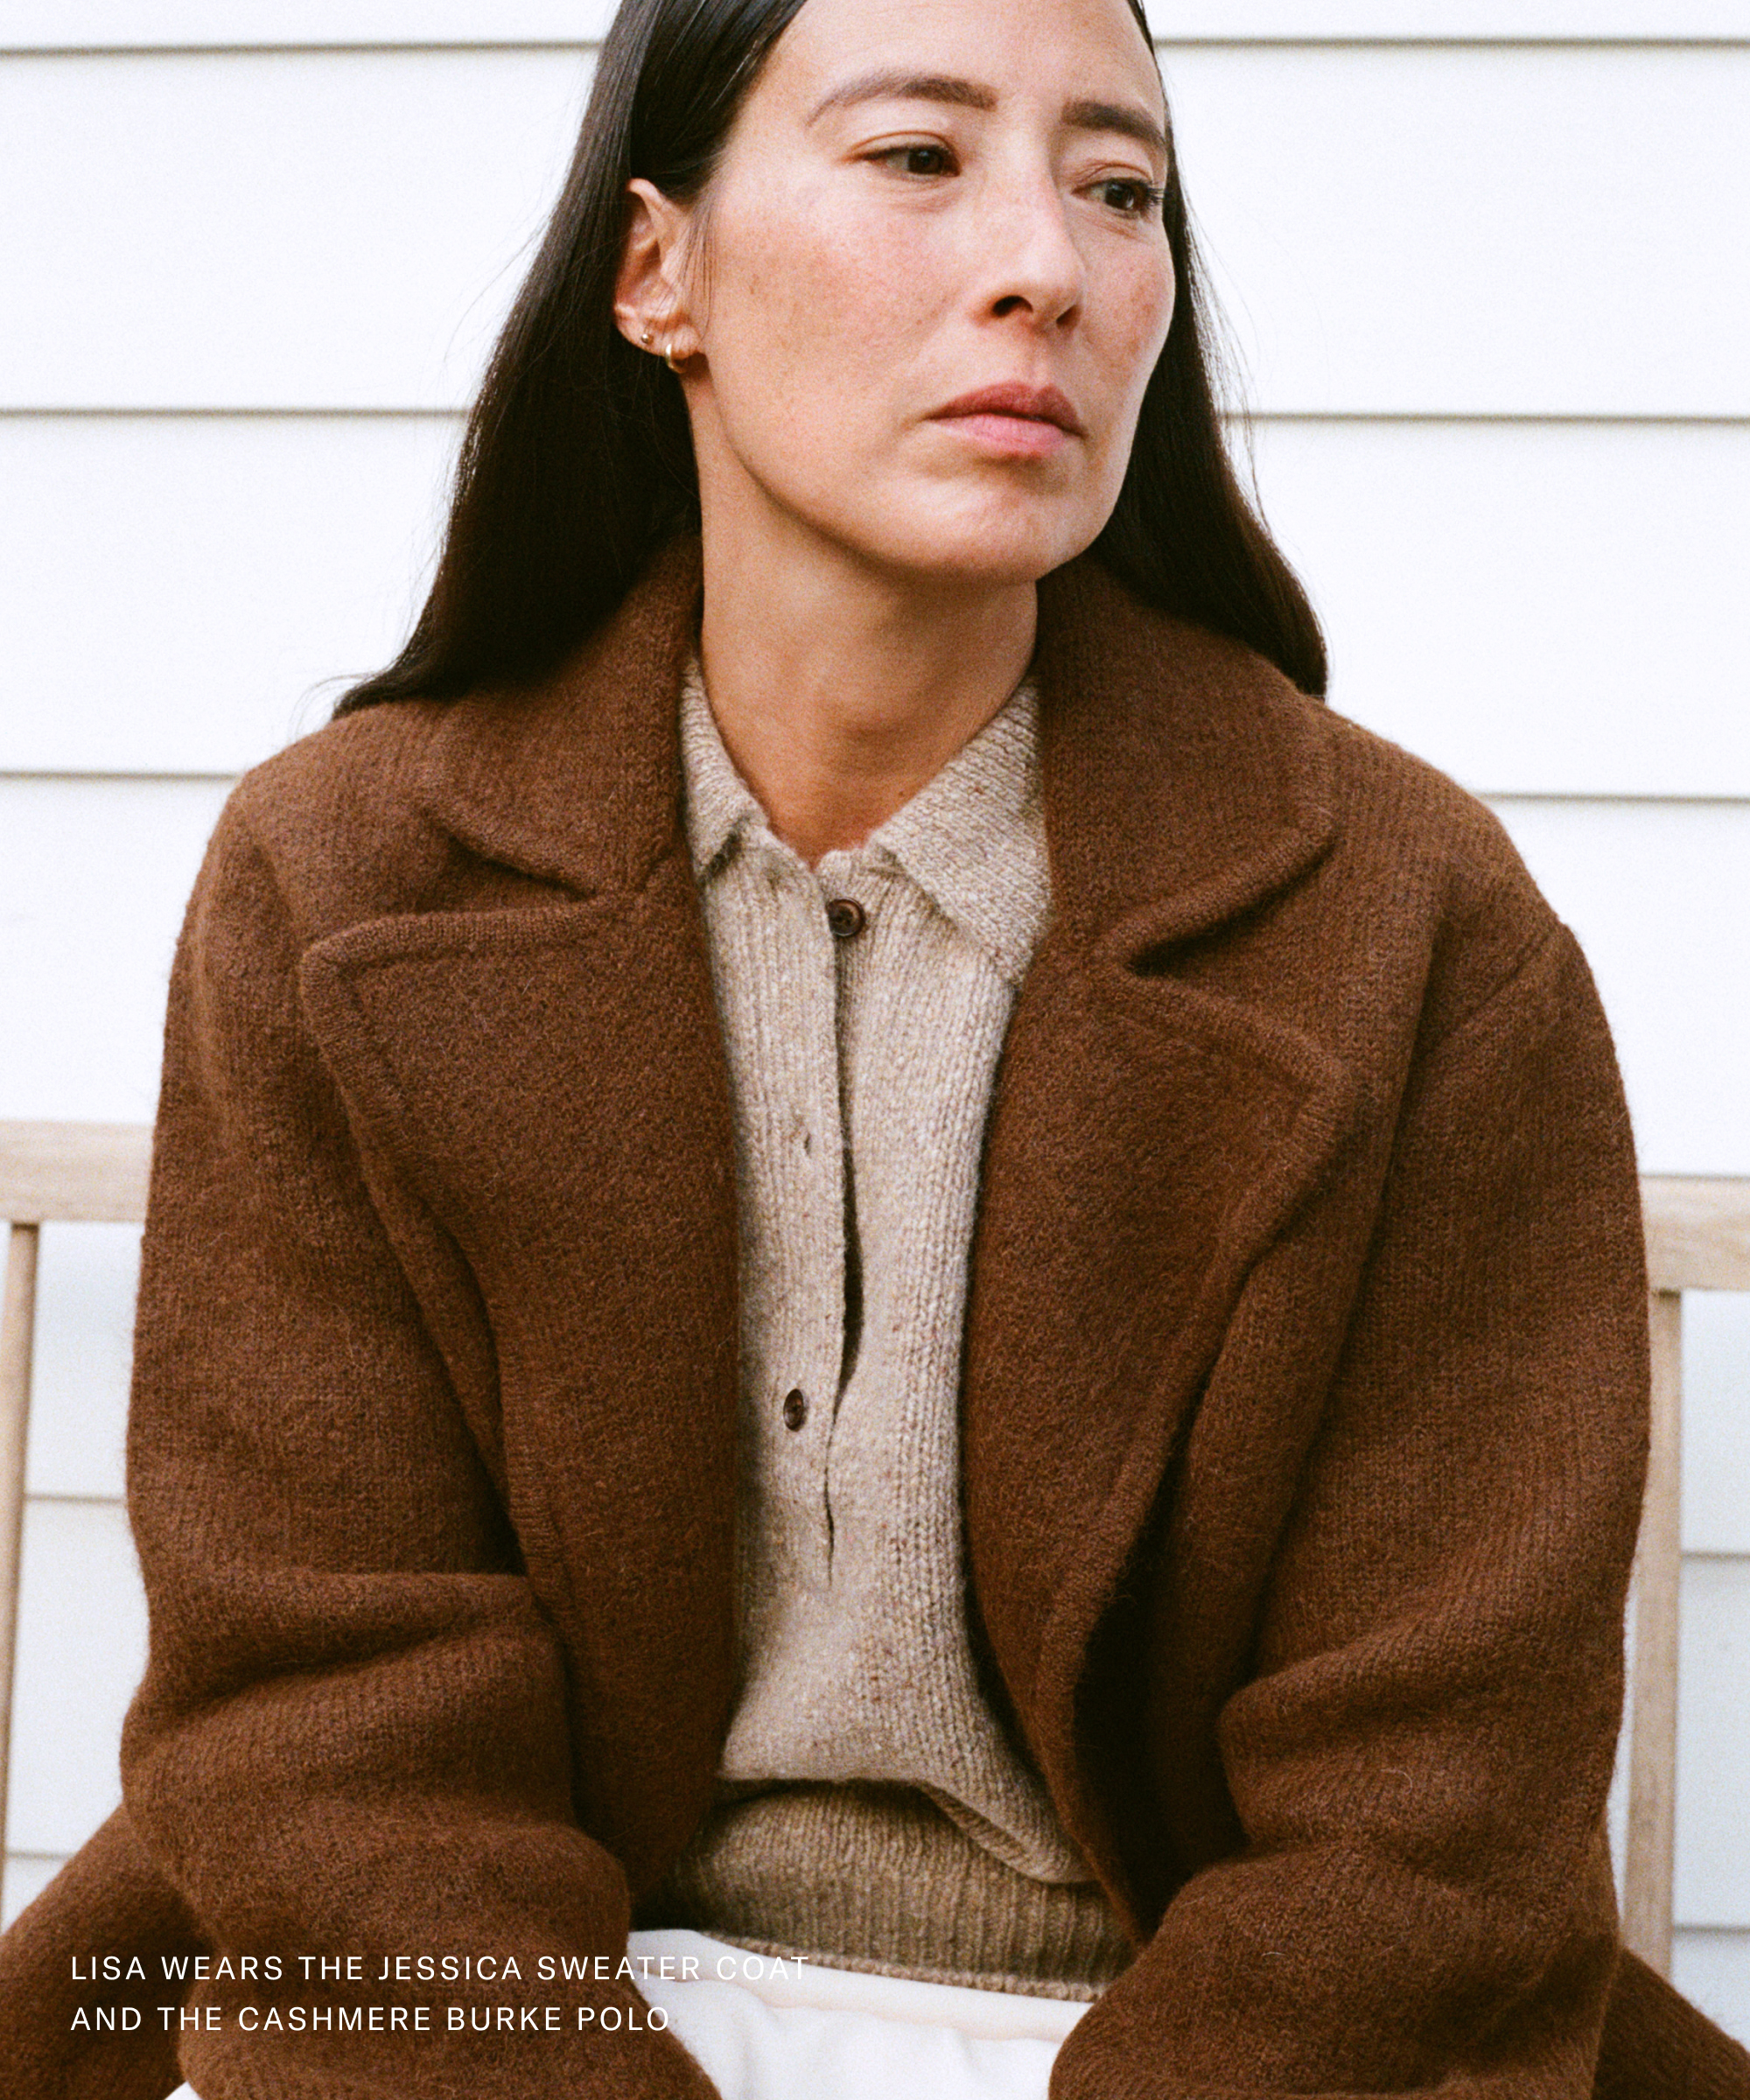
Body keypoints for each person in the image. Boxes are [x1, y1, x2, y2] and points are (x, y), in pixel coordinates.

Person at [3, 0, 1747, 2095]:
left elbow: (1425, 1819)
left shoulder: (1404, 924)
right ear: (659, 275)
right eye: (919, 158)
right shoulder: (347, 877)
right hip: (506, 2027)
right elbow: (333, 1715)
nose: (1048, 261)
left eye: (1119, 190)